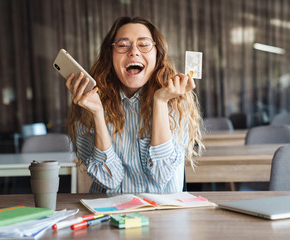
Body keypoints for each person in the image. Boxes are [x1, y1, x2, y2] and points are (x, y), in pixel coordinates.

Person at [66, 16, 204, 193]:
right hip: (112, 213)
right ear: (110, 55)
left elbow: (162, 174)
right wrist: (97, 113)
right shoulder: (88, 102)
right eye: (123, 45)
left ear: (157, 54)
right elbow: (109, 180)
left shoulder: (177, 99)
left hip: (164, 214)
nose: (133, 52)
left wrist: (160, 101)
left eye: (144, 45)